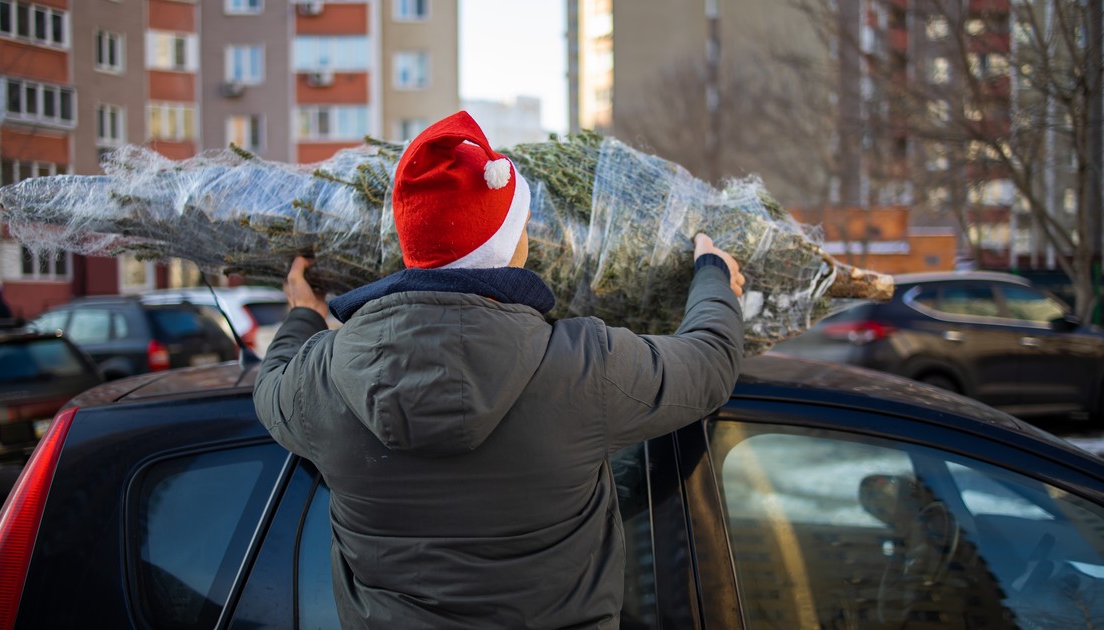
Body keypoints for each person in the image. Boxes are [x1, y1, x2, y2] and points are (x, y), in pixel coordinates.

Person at [253, 111, 745, 629]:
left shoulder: (321, 382)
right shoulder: (582, 369)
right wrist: (712, 275)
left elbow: (270, 387)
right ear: (508, 244)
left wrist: (304, 315)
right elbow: (710, 363)